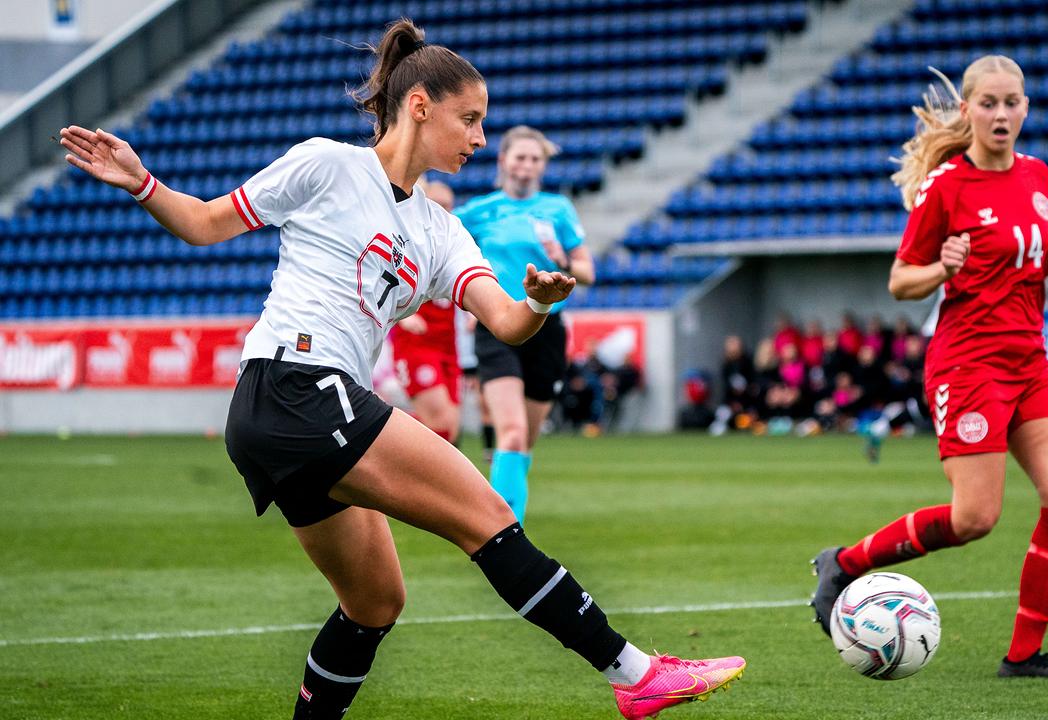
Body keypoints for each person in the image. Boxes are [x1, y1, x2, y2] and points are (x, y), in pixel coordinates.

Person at [60, 20, 742, 720]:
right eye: (469, 119)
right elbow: (205, 223)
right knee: (488, 517)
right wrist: (141, 181)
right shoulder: (328, 164)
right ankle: (635, 675)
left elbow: (506, 321)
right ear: (419, 106)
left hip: (289, 410)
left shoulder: (442, 231)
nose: (480, 138)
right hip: (297, 385)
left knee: (375, 601)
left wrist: (538, 301)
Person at [809, 55, 1048, 678]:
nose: (1001, 114)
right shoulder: (946, 187)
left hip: (1029, 361)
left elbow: (1041, 256)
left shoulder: (1038, 175)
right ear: (967, 110)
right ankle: (845, 563)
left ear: (1025, 108)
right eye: (988, 103)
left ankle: (1024, 656)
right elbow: (901, 280)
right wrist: (944, 267)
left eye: (1012, 102)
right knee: (975, 519)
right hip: (968, 364)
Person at [455, 124, 595, 525]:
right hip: (498, 325)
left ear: (542, 166)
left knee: (524, 443)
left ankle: (506, 512)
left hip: (547, 330)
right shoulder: (478, 211)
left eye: (535, 159)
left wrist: (562, 260)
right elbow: (441, 251)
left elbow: (587, 273)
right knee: (512, 434)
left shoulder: (558, 209)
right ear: (504, 161)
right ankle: (501, 534)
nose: (527, 165)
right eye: (520, 157)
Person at [387, 180, 464, 444]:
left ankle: (385, 440)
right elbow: (383, 278)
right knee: (441, 423)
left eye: (448, 206)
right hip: (417, 344)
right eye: (438, 205)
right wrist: (405, 316)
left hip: (448, 347)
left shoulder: (453, 243)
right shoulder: (410, 240)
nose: (444, 211)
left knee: (449, 430)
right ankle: (381, 438)